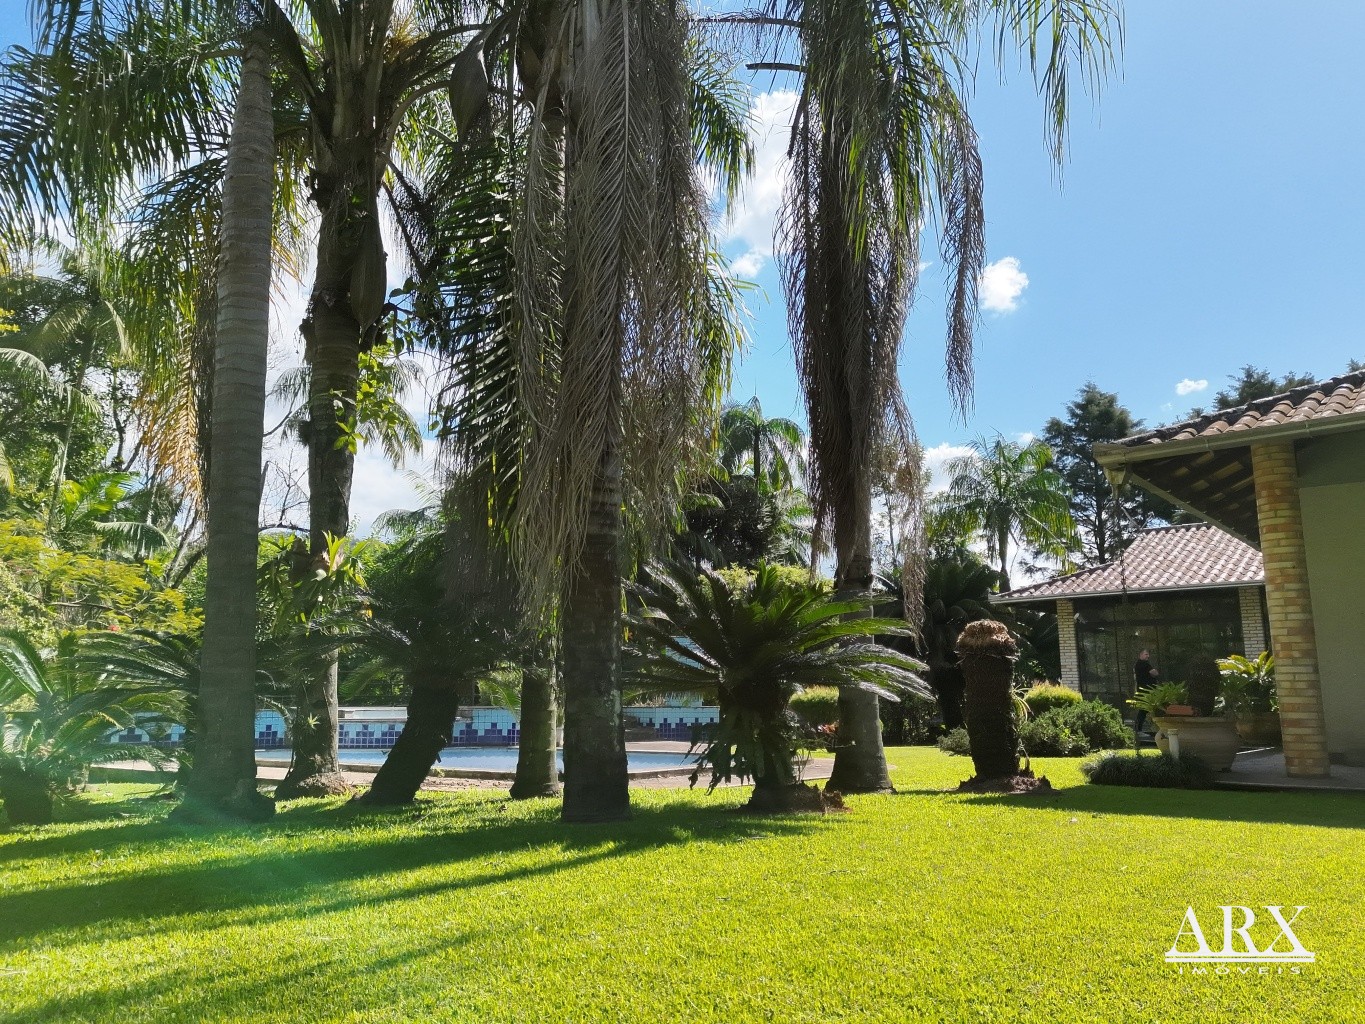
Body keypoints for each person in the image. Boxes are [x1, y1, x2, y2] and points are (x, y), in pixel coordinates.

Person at [1133, 648, 1159, 737]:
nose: (1148, 656)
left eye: (1148, 654)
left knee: (1145, 710)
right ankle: (1138, 730)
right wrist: (1154, 673)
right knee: (1143, 710)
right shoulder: (1143, 664)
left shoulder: (1138, 664)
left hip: (1145, 691)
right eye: (1146, 654)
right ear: (1140, 655)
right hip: (1145, 692)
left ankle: (1138, 729)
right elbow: (1154, 673)